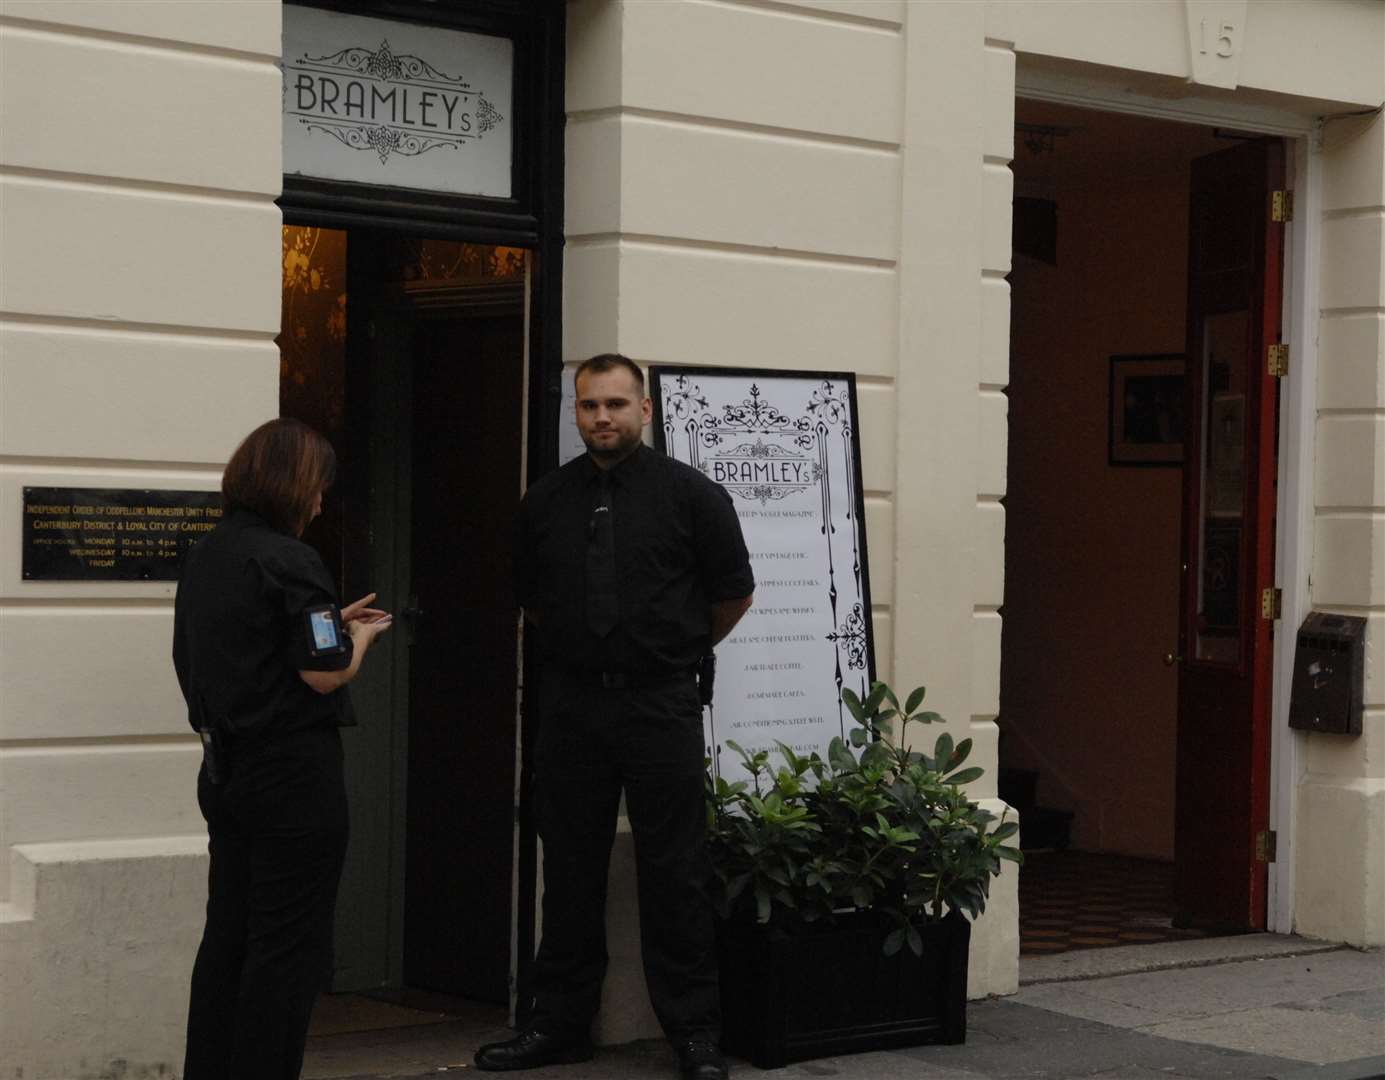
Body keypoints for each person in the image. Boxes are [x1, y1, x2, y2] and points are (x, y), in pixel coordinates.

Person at [476, 355, 754, 1080]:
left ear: (644, 411)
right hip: (572, 703)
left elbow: (732, 595)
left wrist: (665, 652)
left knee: (674, 871)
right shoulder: (544, 502)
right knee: (567, 867)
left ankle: (693, 1034)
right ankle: (558, 1026)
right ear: (575, 412)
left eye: (615, 405)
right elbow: (531, 600)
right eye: (588, 406)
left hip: (659, 700)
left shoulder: (693, 497)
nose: (601, 418)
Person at [174, 418, 392, 1079]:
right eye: (320, 487)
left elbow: (260, 644)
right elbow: (323, 671)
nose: (322, 501)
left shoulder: (209, 554)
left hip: (224, 769)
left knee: (229, 935)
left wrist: (329, 624)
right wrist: (360, 640)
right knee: (288, 945)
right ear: (297, 487)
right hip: (292, 775)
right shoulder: (295, 560)